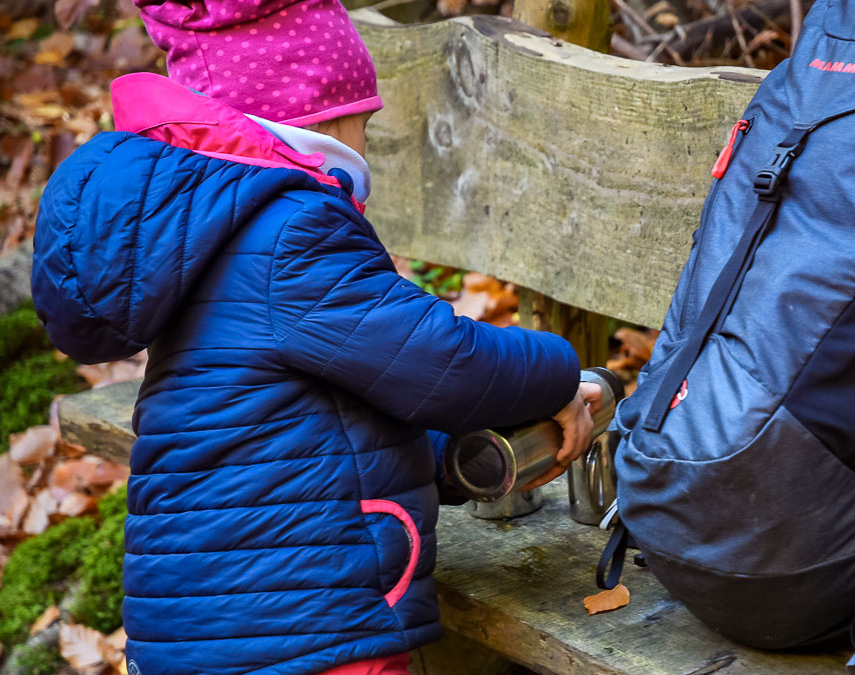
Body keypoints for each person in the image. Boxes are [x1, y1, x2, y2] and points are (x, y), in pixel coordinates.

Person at [30, 0, 600, 672]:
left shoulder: (210, 230)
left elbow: (310, 407)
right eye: (365, 121)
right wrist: (563, 374)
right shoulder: (292, 228)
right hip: (305, 624)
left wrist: (445, 456)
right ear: (318, 125)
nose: (368, 143)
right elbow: (442, 359)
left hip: (205, 618)